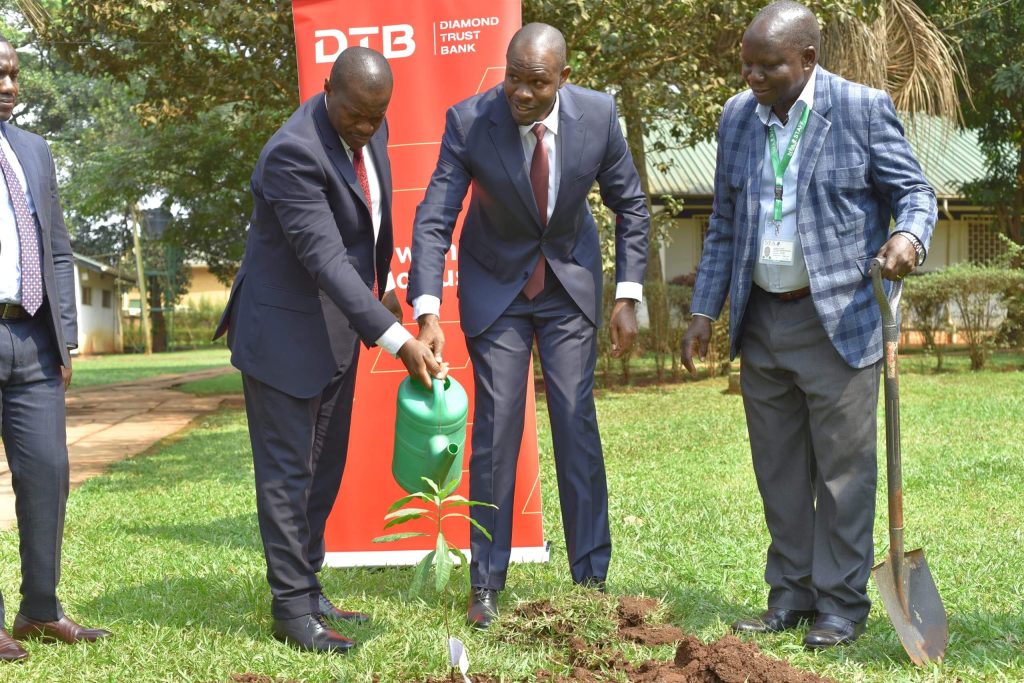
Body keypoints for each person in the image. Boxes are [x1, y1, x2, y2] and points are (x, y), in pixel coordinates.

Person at [680, 0, 935, 649]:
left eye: (767, 67)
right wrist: (703, 312)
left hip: (840, 320)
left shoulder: (859, 108)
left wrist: (907, 236)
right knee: (780, 470)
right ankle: (790, 593)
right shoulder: (738, 118)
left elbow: (915, 192)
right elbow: (726, 225)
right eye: (747, 66)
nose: (753, 79)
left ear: (808, 60)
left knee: (844, 473)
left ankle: (841, 605)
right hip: (763, 320)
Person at [408, 23, 650, 629]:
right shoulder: (470, 120)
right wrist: (428, 307)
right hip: (499, 288)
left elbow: (631, 206)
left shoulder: (598, 115)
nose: (520, 92)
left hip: (567, 283)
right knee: (497, 429)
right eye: (513, 77)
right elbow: (435, 215)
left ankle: (590, 577)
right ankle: (485, 584)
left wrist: (627, 295)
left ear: (562, 79)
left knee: (575, 419)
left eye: (536, 83)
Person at [213, 47, 441, 654]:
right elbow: (323, 257)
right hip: (282, 331)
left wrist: (387, 296)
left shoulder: (371, 125)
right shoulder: (293, 153)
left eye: (377, 116)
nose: (368, 128)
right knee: (288, 475)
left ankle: (308, 589)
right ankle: (291, 609)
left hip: (336, 328)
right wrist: (395, 338)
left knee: (324, 468)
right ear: (327, 91)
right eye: (357, 116)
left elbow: (369, 223)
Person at [0, 36, 111, 662]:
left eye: (15, 74)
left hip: (34, 341)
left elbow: (59, 248)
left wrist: (65, 338)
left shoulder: (35, 152)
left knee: (48, 476)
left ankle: (40, 609)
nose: (10, 85)